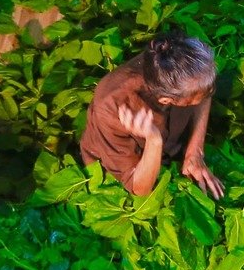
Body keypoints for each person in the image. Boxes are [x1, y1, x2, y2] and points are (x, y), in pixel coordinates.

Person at [79, 29, 224, 198]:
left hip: (172, 127)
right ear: (165, 100)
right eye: (195, 98)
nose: (209, 93)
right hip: (123, 164)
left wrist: (195, 152)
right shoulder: (112, 107)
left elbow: (204, 92)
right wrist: (153, 139)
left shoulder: (178, 52)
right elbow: (138, 188)